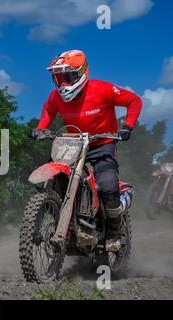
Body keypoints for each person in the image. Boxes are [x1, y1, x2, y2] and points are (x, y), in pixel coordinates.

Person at [30, 50, 143, 249]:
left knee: (108, 185)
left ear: (81, 73)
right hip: (71, 144)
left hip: (102, 144)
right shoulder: (56, 97)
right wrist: (40, 128)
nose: (64, 83)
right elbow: (49, 109)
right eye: (59, 78)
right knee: (47, 180)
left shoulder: (102, 89)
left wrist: (128, 126)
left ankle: (114, 232)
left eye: (68, 76)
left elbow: (134, 101)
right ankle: (62, 220)